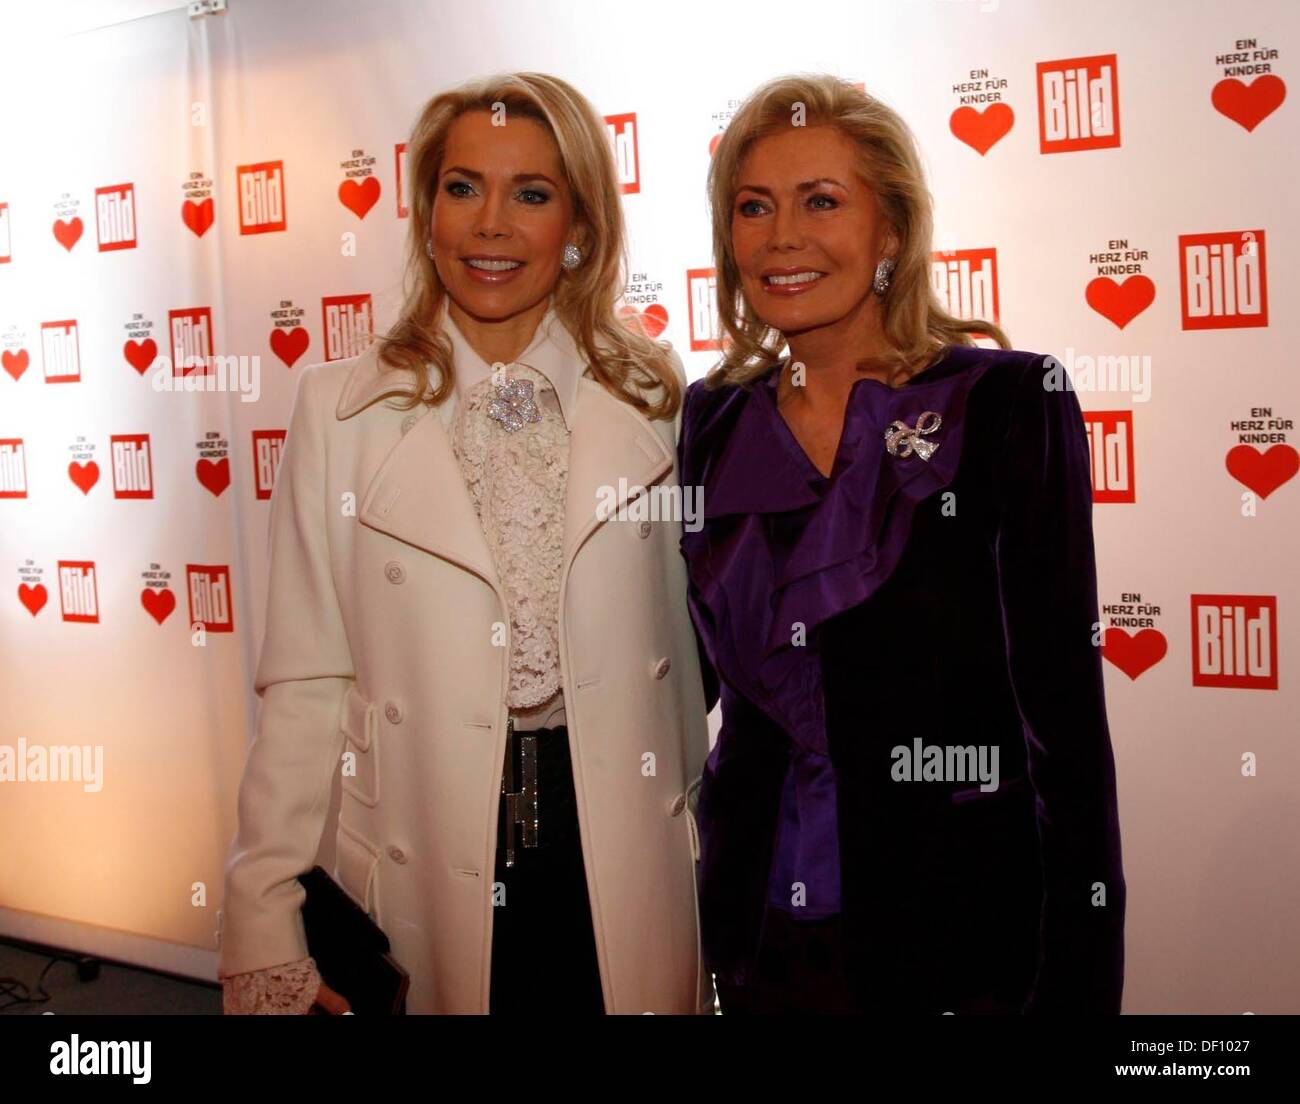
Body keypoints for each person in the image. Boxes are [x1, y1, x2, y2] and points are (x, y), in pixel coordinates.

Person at [219, 72, 711, 1014]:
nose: (490, 224)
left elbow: (692, 667)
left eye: (531, 194)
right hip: (422, 837)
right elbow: (306, 680)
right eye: (461, 187)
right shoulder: (339, 410)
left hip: (615, 847)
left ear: (579, 227)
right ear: (425, 212)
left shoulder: (656, 398)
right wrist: (262, 910)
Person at [677, 73, 1126, 1014]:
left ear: (890, 232)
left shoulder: (1004, 403)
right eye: (754, 207)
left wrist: (1080, 972)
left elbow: (1065, 717)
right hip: (760, 928)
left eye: (823, 202)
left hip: (961, 929)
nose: (783, 236)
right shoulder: (711, 421)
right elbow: (698, 682)